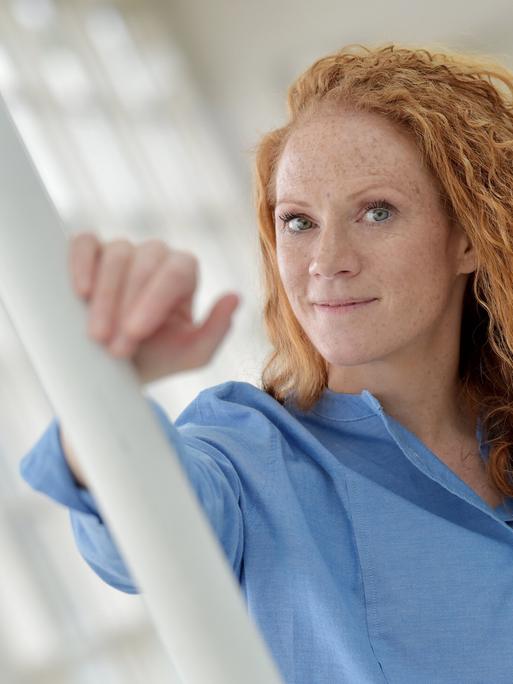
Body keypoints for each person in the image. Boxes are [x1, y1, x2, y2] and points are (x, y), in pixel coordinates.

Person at [19, 42, 513, 683]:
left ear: (469, 237)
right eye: (299, 221)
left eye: (377, 211)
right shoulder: (249, 455)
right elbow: (136, 534)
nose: (326, 259)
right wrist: (103, 381)